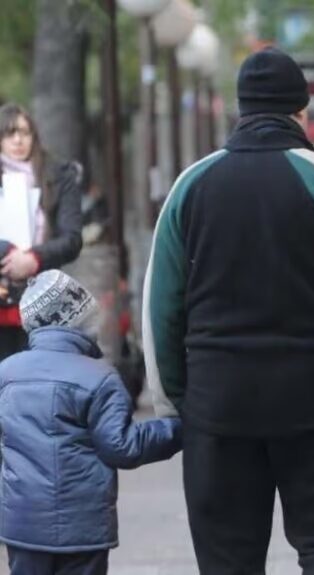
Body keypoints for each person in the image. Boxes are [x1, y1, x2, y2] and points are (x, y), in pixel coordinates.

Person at [143, 47, 314, 575]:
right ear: (302, 112)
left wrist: (177, 406)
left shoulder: (190, 187)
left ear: (241, 110)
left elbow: (160, 310)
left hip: (219, 407)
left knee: (227, 561)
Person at [0, 270, 181, 575]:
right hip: (82, 528)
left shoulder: (6, 374)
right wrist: (176, 428)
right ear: (81, 320)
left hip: (23, 525)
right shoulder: (99, 377)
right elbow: (122, 447)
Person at [0, 104, 83, 361]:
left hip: (43, 296)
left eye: (24, 132)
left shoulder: (59, 175)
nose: (17, 140)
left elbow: (72, 239)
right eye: (9, 133)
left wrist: (33, 258)